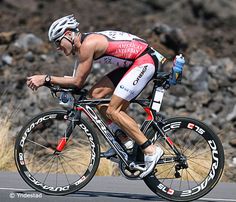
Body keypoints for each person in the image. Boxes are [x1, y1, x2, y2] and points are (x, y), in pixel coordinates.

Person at [27, 14, 166, 178]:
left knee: (114, 111)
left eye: (58, 41)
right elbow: (75, 82)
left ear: (69, 34)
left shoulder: (88, 45)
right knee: (95, 96)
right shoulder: (83, 47)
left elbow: (78, 82)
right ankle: (124, 141)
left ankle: (150, 150)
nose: (57, 47)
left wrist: (46, 78)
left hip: (145, 60)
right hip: (134, 62)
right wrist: (56, 83)